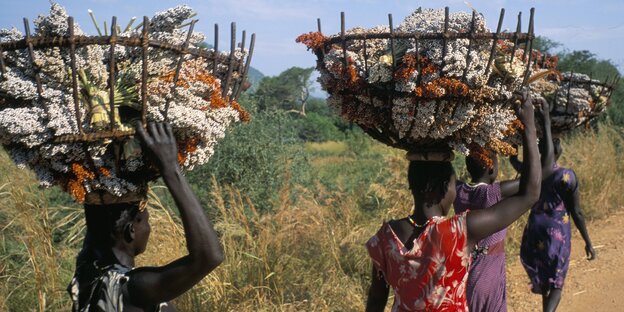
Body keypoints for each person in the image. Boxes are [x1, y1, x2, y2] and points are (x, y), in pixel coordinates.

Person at [365, 89, 541, 312]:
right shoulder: (458, 231)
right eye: (452, 184)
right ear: (443, 188)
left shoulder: (385, 237)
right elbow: (531, 193)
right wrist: (529, 125)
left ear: (412, 184)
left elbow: (376, 299)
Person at [68, 122, 224, 311]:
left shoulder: (87, 272)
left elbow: (97, 221)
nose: (150, 229)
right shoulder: (134, 288)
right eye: (146, 220)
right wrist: (170, 168)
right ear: (131, 230)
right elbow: (209, 257)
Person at [516, 99, 596, 312]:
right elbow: (577, 212)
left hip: (534, 229)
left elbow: (516, 162)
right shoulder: (566, 177)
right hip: (556, 232)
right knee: (557, 282)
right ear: (556, 150)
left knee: (544, 280)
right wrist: (588, 241)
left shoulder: (532, 174)